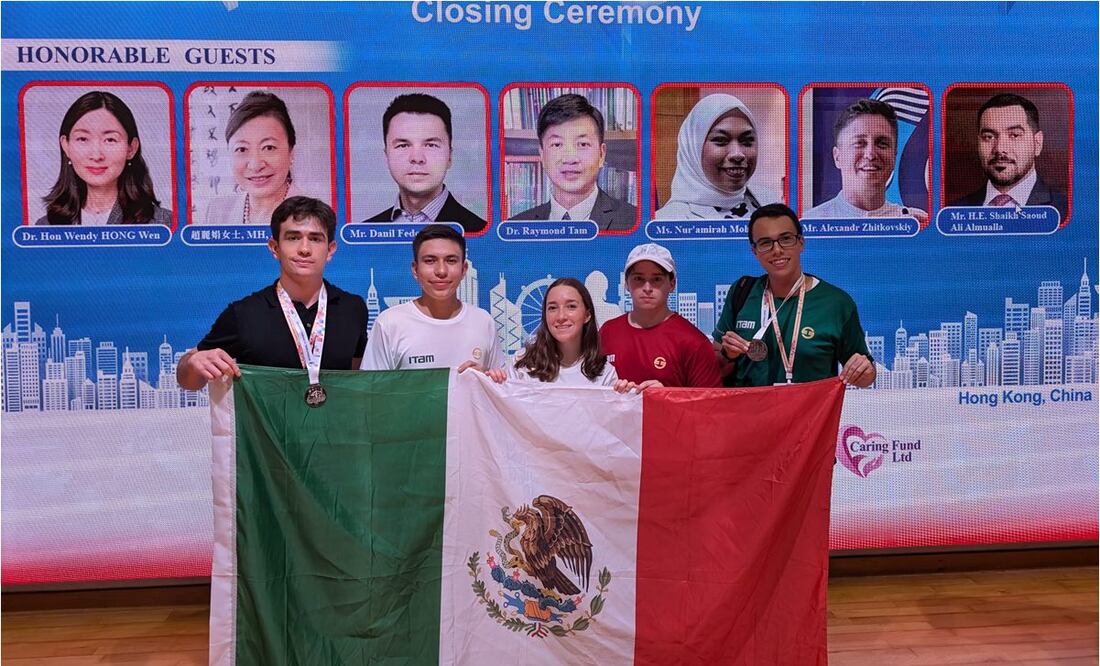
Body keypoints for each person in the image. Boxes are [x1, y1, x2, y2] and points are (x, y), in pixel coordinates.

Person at [177, 196, 367, 390]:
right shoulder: (244, 313)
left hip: (334, 420)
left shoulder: (353, 308)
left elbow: (356, 376)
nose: (304, 249)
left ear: (330, 250)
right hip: (267, 422)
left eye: (315, 239)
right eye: (293, 238)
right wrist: (194, 363)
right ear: (275, 248)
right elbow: (187, 380)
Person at [714, 203, 875, 388]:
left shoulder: (836, 303)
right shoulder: (742, 292)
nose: (777, 250)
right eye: (766, 243)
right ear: (755, 251)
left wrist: (864, 371)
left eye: (786, 239)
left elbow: (865, 375)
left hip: (811, 415)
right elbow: (715, 363)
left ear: (801, 242)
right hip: (750, 414)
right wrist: (728, 354)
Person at [360, 224, 503, 371]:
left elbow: (502, 388)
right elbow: (371, 390)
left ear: (463, 269)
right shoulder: (389, 323)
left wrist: (485, 378)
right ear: (415, 269)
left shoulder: (483, 321)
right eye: (430, 261)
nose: (441, 271)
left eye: (451, 260)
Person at [36, 90, 172, 226]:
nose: (96, 156)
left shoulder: (163, 223)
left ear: (131, 148)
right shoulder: (45, 226)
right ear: (66, 146)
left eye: (110, 140)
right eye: (83, 139)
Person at [480, 277, 639, 392]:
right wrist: (486, 380)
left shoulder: (604, 372)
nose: (561, 316)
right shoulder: (522, 364)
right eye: (552, 308)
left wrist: (624, 399)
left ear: (587, 315)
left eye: (571, 306)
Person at [599, 243, 722, 388]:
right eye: (638, 279)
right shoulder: (607, 332)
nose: (647, 288)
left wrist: (666, 398)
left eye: (656, 279)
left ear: (672, 284)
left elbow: (709, 407)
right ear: (626, 283)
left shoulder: (694, 342)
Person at [361, 93, 487, 232]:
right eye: (403, 145)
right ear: (386, 156)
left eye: (430, 145)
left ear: (449, 156)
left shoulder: (479, 230)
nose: (417, 158)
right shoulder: (364, 232)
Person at [510, 93, 636, 231]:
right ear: (542, 155)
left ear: (601, 154)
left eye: (582, 144)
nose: (570, 159)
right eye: (557, 145)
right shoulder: (516, 226)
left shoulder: (634, 221)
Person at [655, 93, 781, 220]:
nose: (737, 154)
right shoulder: (668, 221)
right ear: (693, 150)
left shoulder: (772, 203)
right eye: (721, 140)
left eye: (747, 141)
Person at [804, 98, 927, 223]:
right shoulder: (810, 223)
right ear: (837, 157)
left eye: (882, 143)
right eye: (859, 143)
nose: (871, 154)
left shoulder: (914, 224)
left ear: (894, 156)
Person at [948, 93, 1068, 218]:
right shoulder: (953, 212)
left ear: (1037, 143)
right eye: (989, 137)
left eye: (1014, 135)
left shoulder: (1066, 213)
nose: (1000, 148)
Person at [201, 91, 309, 226]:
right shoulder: (217, 212)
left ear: (291, 152)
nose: (255, 165)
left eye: (269, 147)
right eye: (242, 149)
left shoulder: (318, 215)